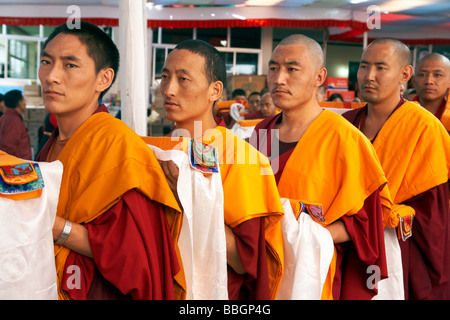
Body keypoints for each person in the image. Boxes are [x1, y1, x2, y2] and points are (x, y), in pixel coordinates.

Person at [35, 21, 182, 300]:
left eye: (70, 65)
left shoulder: (118, 145)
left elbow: (136, 255)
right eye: (46, 61)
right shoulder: (53, 143)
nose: (51, 76)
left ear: (103, 79)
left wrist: (53, 227)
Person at [251, 34, 389, 300]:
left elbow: (367, 223)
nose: (279, 79)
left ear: (319, 77)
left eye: (292, 69)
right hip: (260, 268)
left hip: (313, 274)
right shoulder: (262, 131)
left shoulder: (345, 139)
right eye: (273, 68)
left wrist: (304, 237)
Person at [159, 39, 284, 300]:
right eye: (165, 76)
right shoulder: (157, 148)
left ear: (214, 90)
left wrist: (189, 198)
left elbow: (244, 261)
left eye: (183, 79)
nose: (168, 89)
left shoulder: (242, 157)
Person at [342, 38, 450, 300]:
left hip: (403, 249)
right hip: (346, 244)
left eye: (381, 68)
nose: (369, 76)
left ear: (404, 74)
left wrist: (385, 218)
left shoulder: (424, 127)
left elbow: (434, 210)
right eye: (364, 66)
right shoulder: (344, 125)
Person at [412, 53, 450, 132]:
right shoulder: (400, 112)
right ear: (413, 81)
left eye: (437, 75)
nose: (429, 81)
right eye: (422, 75)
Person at [0, 89, 32, 160]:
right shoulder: (13, 121)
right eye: (24, 100)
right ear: (19, 103)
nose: (25, 103)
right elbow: (8, 146)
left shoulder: (5, 117)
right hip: (17, 166)